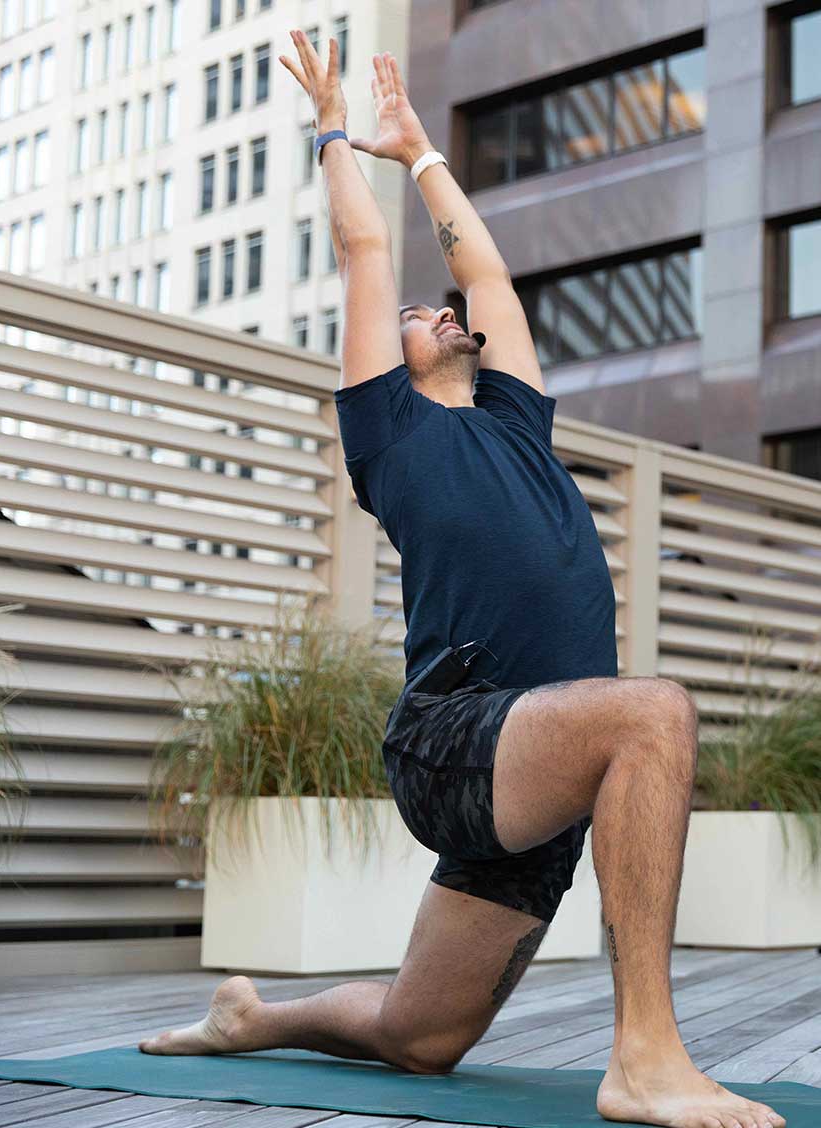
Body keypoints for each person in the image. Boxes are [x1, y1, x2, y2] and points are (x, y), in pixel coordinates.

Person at [139, 36, 783, 1128]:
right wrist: (337, 130)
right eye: (416, 315)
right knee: (655, 716)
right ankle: (644, 1057)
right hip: (453, 736)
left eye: (446, 315)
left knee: (421, 1037)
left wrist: (425, 150)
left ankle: (255, 1018)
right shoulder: (387, 432)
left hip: (540, 776)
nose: (438, 309)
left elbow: (483, 271)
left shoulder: (517, 421)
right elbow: (361, 251)